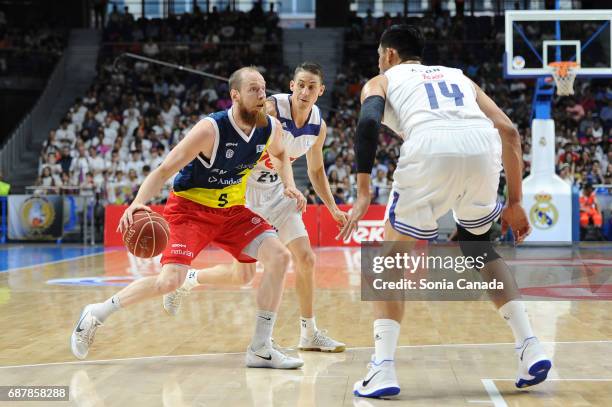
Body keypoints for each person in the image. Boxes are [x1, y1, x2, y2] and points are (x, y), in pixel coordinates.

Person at [339, 25, 551, 398]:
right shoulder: (460, 78)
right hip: (481, 146)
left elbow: (369, 122)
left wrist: (361, 190)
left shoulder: (382, 80)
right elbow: (509, 131)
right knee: (480, 250)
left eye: (378, 55)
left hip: (430, 145)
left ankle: (383, 367)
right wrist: (515, 202)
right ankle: (530, 345)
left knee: (389, 261)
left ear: (388, 55)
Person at [71, 67, 306, 369]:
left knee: (278, 257)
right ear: (234, 95)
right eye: (253, 90)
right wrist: (138, 202)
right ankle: (96, 313)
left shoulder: (269, 127)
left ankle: (260, 348)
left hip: (232, 211)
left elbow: (282, 153)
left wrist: (289, 184)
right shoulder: (210, 130)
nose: (262, 95)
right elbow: (164, 170)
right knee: (169, 281)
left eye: (263, 88)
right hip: (190, 211)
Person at [163, 63, 347, 353]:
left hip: (280, 194)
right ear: (291, 85)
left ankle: (308, 333)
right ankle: (190, 279)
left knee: (306, 259)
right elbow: (239, 137)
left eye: (312, 86)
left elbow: (317, 170)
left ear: (320, 91)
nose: (305, 91)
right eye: (301, 84)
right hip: (246, 195)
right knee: (244, 275)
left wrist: (333, 208)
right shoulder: (270, 109)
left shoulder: (318, 126)